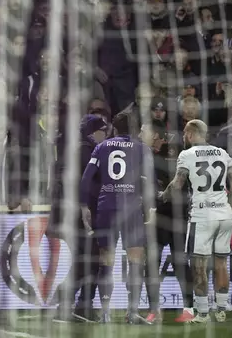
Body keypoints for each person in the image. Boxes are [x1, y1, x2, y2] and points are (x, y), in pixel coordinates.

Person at [159, 119, 232, 324]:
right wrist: (229, 209)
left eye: (186, 133)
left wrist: (163, 195)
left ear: (191, 134)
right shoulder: (222, 153)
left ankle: (203, 313)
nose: (185, 137)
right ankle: (221, 309)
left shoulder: (186, 154)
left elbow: (177, 184)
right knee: (221, 263)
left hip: (202, 215)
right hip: (224, 214)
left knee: (199, 265)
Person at [80, 112, 154, 325]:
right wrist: (150, 208)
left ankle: (104, 313)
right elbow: (149, 182)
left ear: (116, 128)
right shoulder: (142, 149)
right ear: (136, 129)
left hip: (107, 208)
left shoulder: (102, 147)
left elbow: (86, 178)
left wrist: (85, 206)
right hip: (131, 208)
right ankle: (132, 313)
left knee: (106, 260)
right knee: (136, 259)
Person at [50, 114, 108, 323]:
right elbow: (84, 185)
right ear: (94, 131)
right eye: (103, 130)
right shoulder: (86, 150)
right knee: (88, 262)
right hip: (81, 216)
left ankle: (75, 306)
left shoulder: (75, 148)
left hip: (72, 215)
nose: (106, 134)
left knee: (86, 261)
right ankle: (73, 305)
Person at [143, 120, 195, 324]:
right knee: (152, 264)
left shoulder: (181, 157)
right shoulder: (146, 156)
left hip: (177, 216)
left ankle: (188, 309)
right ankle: (154, 310)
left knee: (181, 263)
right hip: (157, 217)